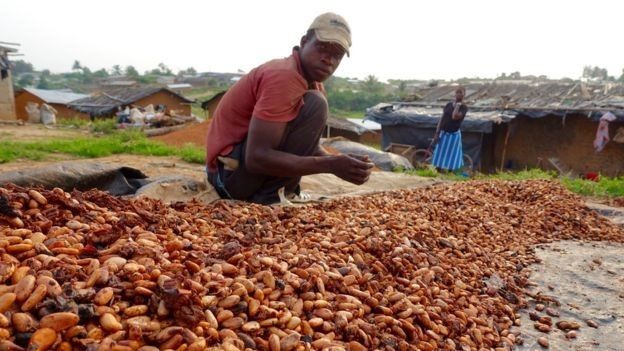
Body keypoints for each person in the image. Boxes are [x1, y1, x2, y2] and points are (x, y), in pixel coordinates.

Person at [205, 12, 373, 204]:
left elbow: (304, 146)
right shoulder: (284, 76)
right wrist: (330, 164)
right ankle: (270, 198)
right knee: (316, 104)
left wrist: (345, 164)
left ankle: (276, 193)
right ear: (303, 42)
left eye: (337, 55)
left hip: (238, 174)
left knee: (315, 103)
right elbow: (256, 157)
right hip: (227, 178)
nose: (329, 60)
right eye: (322, 48)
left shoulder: (313, 83)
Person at [429, 86, 468, 172]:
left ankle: (450, 172)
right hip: (443, 133)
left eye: (460, 92)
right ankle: (438, 171)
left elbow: (454, 117)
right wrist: (437, 133)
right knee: (440, 152)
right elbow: (442, 119)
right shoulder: (448, 105)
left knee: (452, 154)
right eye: (457, 92)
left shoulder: (464, 107)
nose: (458, 94)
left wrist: (457, 106)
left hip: (454, 135)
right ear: (454, 93)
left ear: (464, 94)